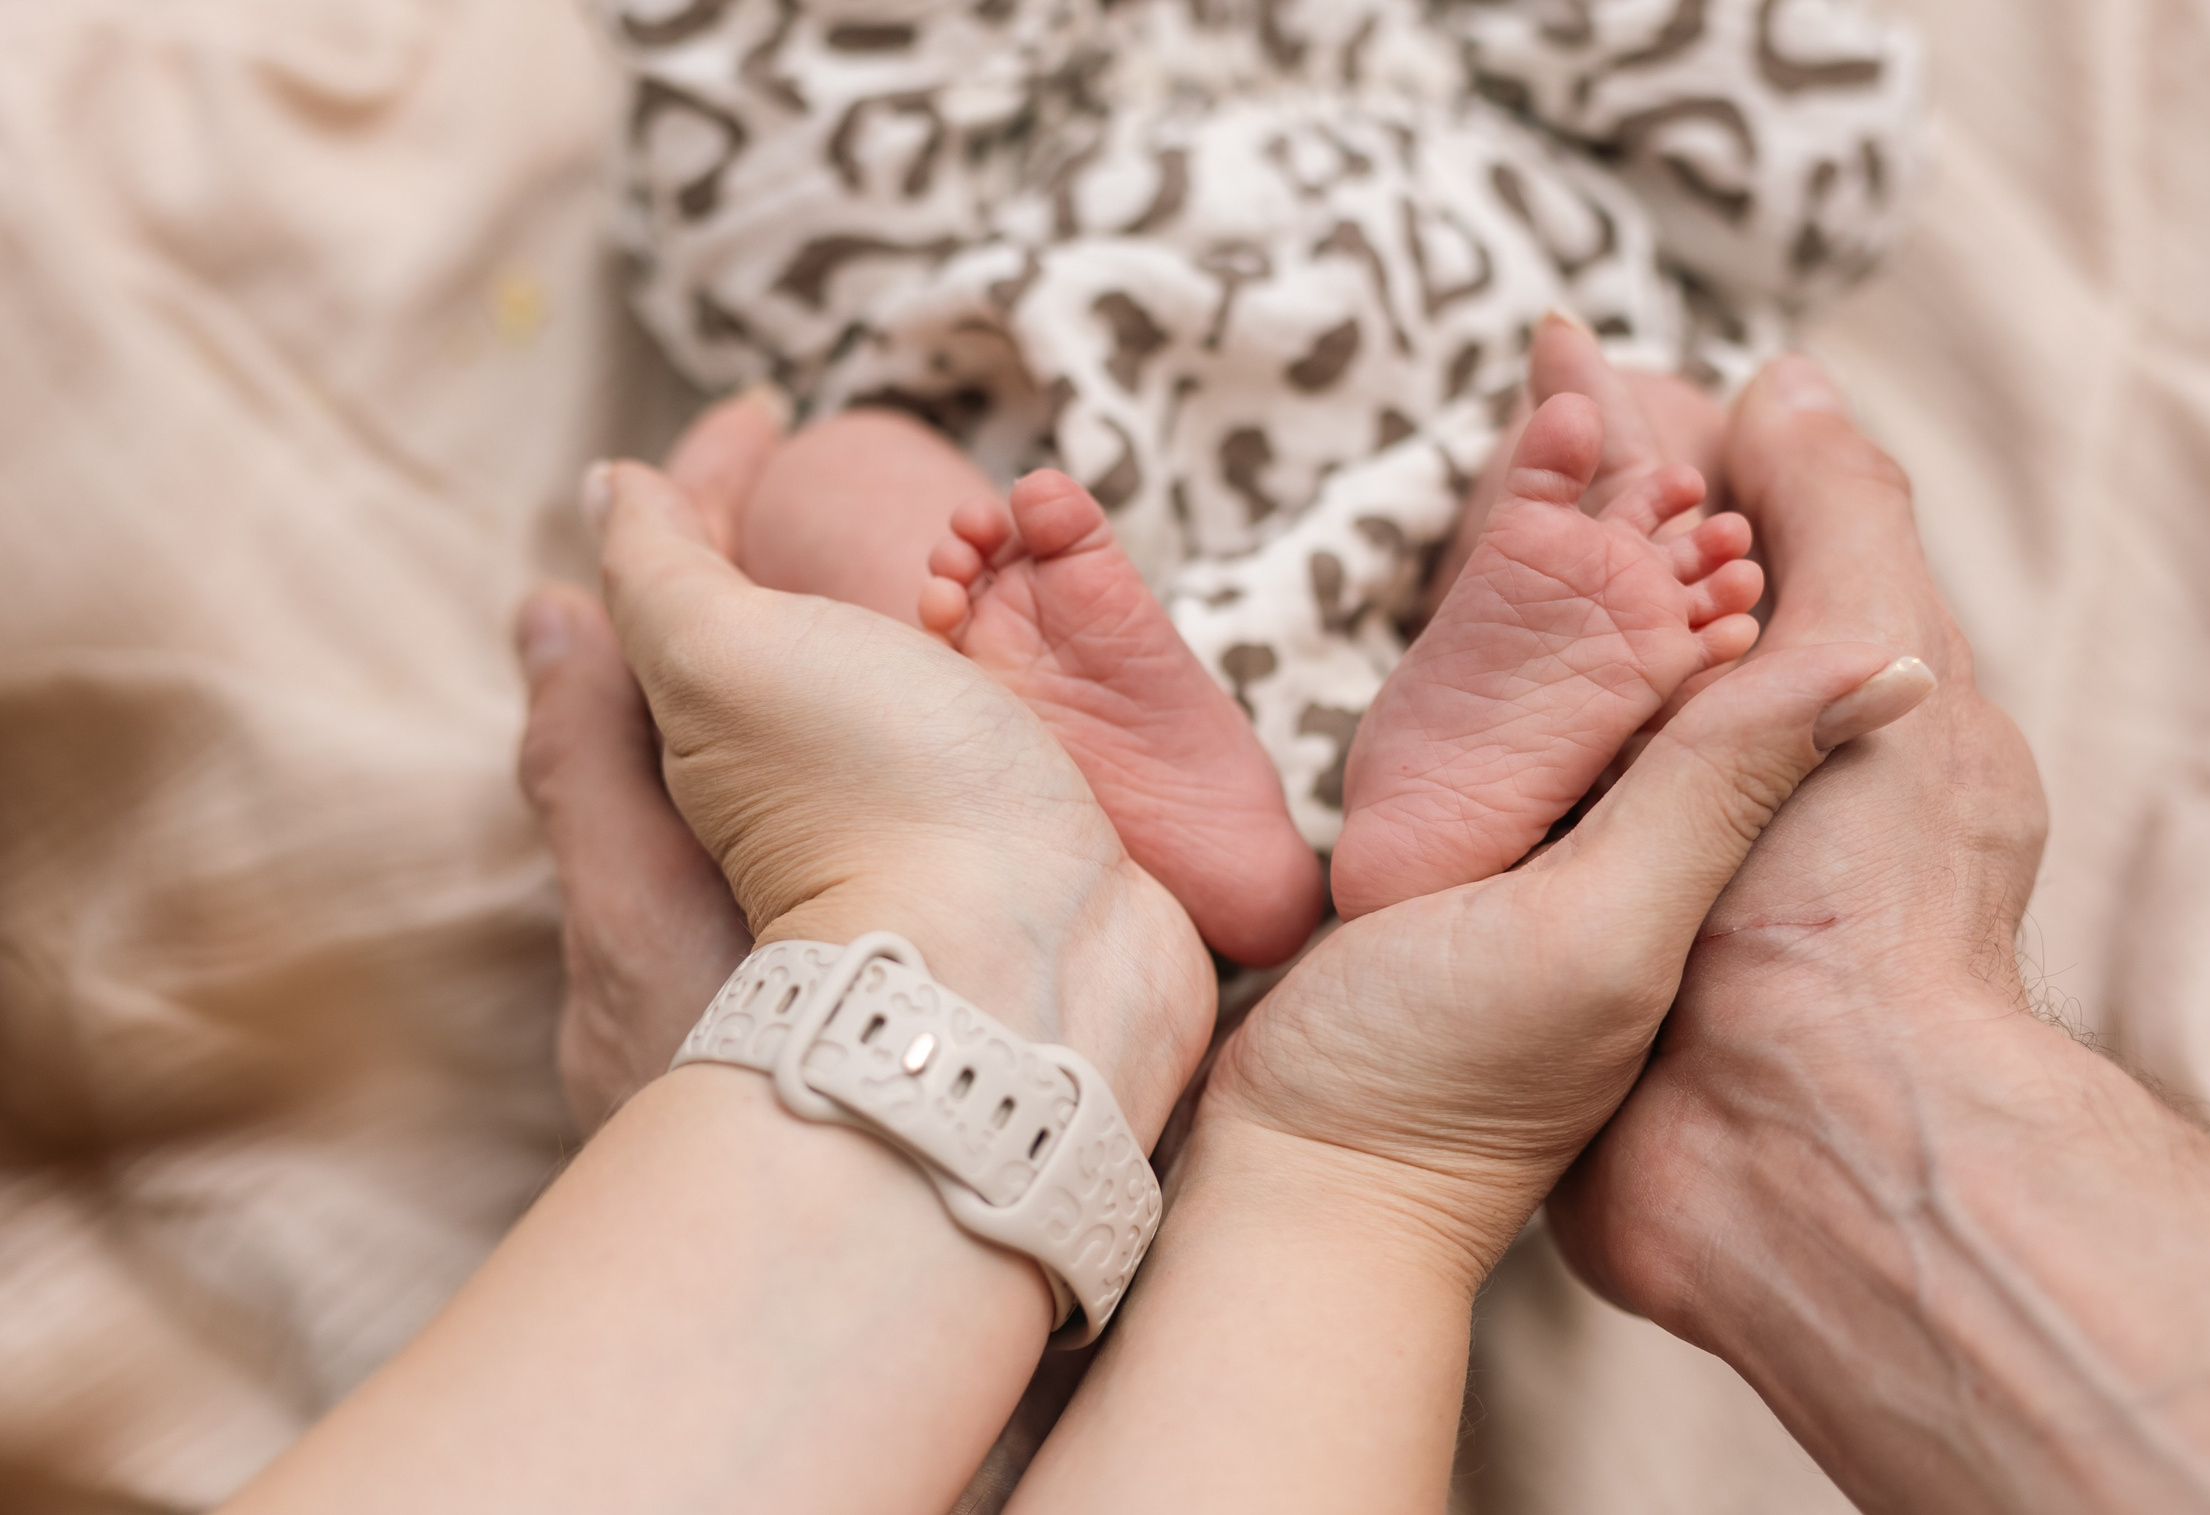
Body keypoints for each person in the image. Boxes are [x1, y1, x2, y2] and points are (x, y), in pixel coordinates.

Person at [506, 356, 2210, 1512]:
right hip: (1175, 504)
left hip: (1075, 679)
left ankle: (1367, 707)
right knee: (877, 467)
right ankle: (1431, 733)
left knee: (843, 485)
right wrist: (1358, 1171)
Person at [215, 350, 1928, 1512]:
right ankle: (1459, 755)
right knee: (862, 468)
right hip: (1145, 537)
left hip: (1133, 581)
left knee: (1624, 414)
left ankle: (1445, 676)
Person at [594, 0, 1929, 960]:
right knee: (832, 477)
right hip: (1046, 418)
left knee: (1643, 439)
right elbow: (753, 235)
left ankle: (1501, 692)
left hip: (1488, 385)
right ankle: (1085, 750)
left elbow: (1807, 176)